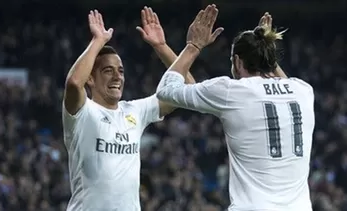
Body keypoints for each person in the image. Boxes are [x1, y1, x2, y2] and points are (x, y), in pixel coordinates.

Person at [157, 6, 314, 211]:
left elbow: (166, 90)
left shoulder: (230, 90)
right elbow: (281, 84)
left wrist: (193, 46)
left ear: (237, 62)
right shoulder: (303, 90)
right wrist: (265, 48)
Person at [61, 7, 199, 211]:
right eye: (108, 71)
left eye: (121, 71)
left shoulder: (135, 111)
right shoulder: (82, 112)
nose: (117, 77)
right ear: (90, 78)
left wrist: (161, 47)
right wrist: (98, 41)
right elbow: (73, 83)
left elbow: (188, 89)